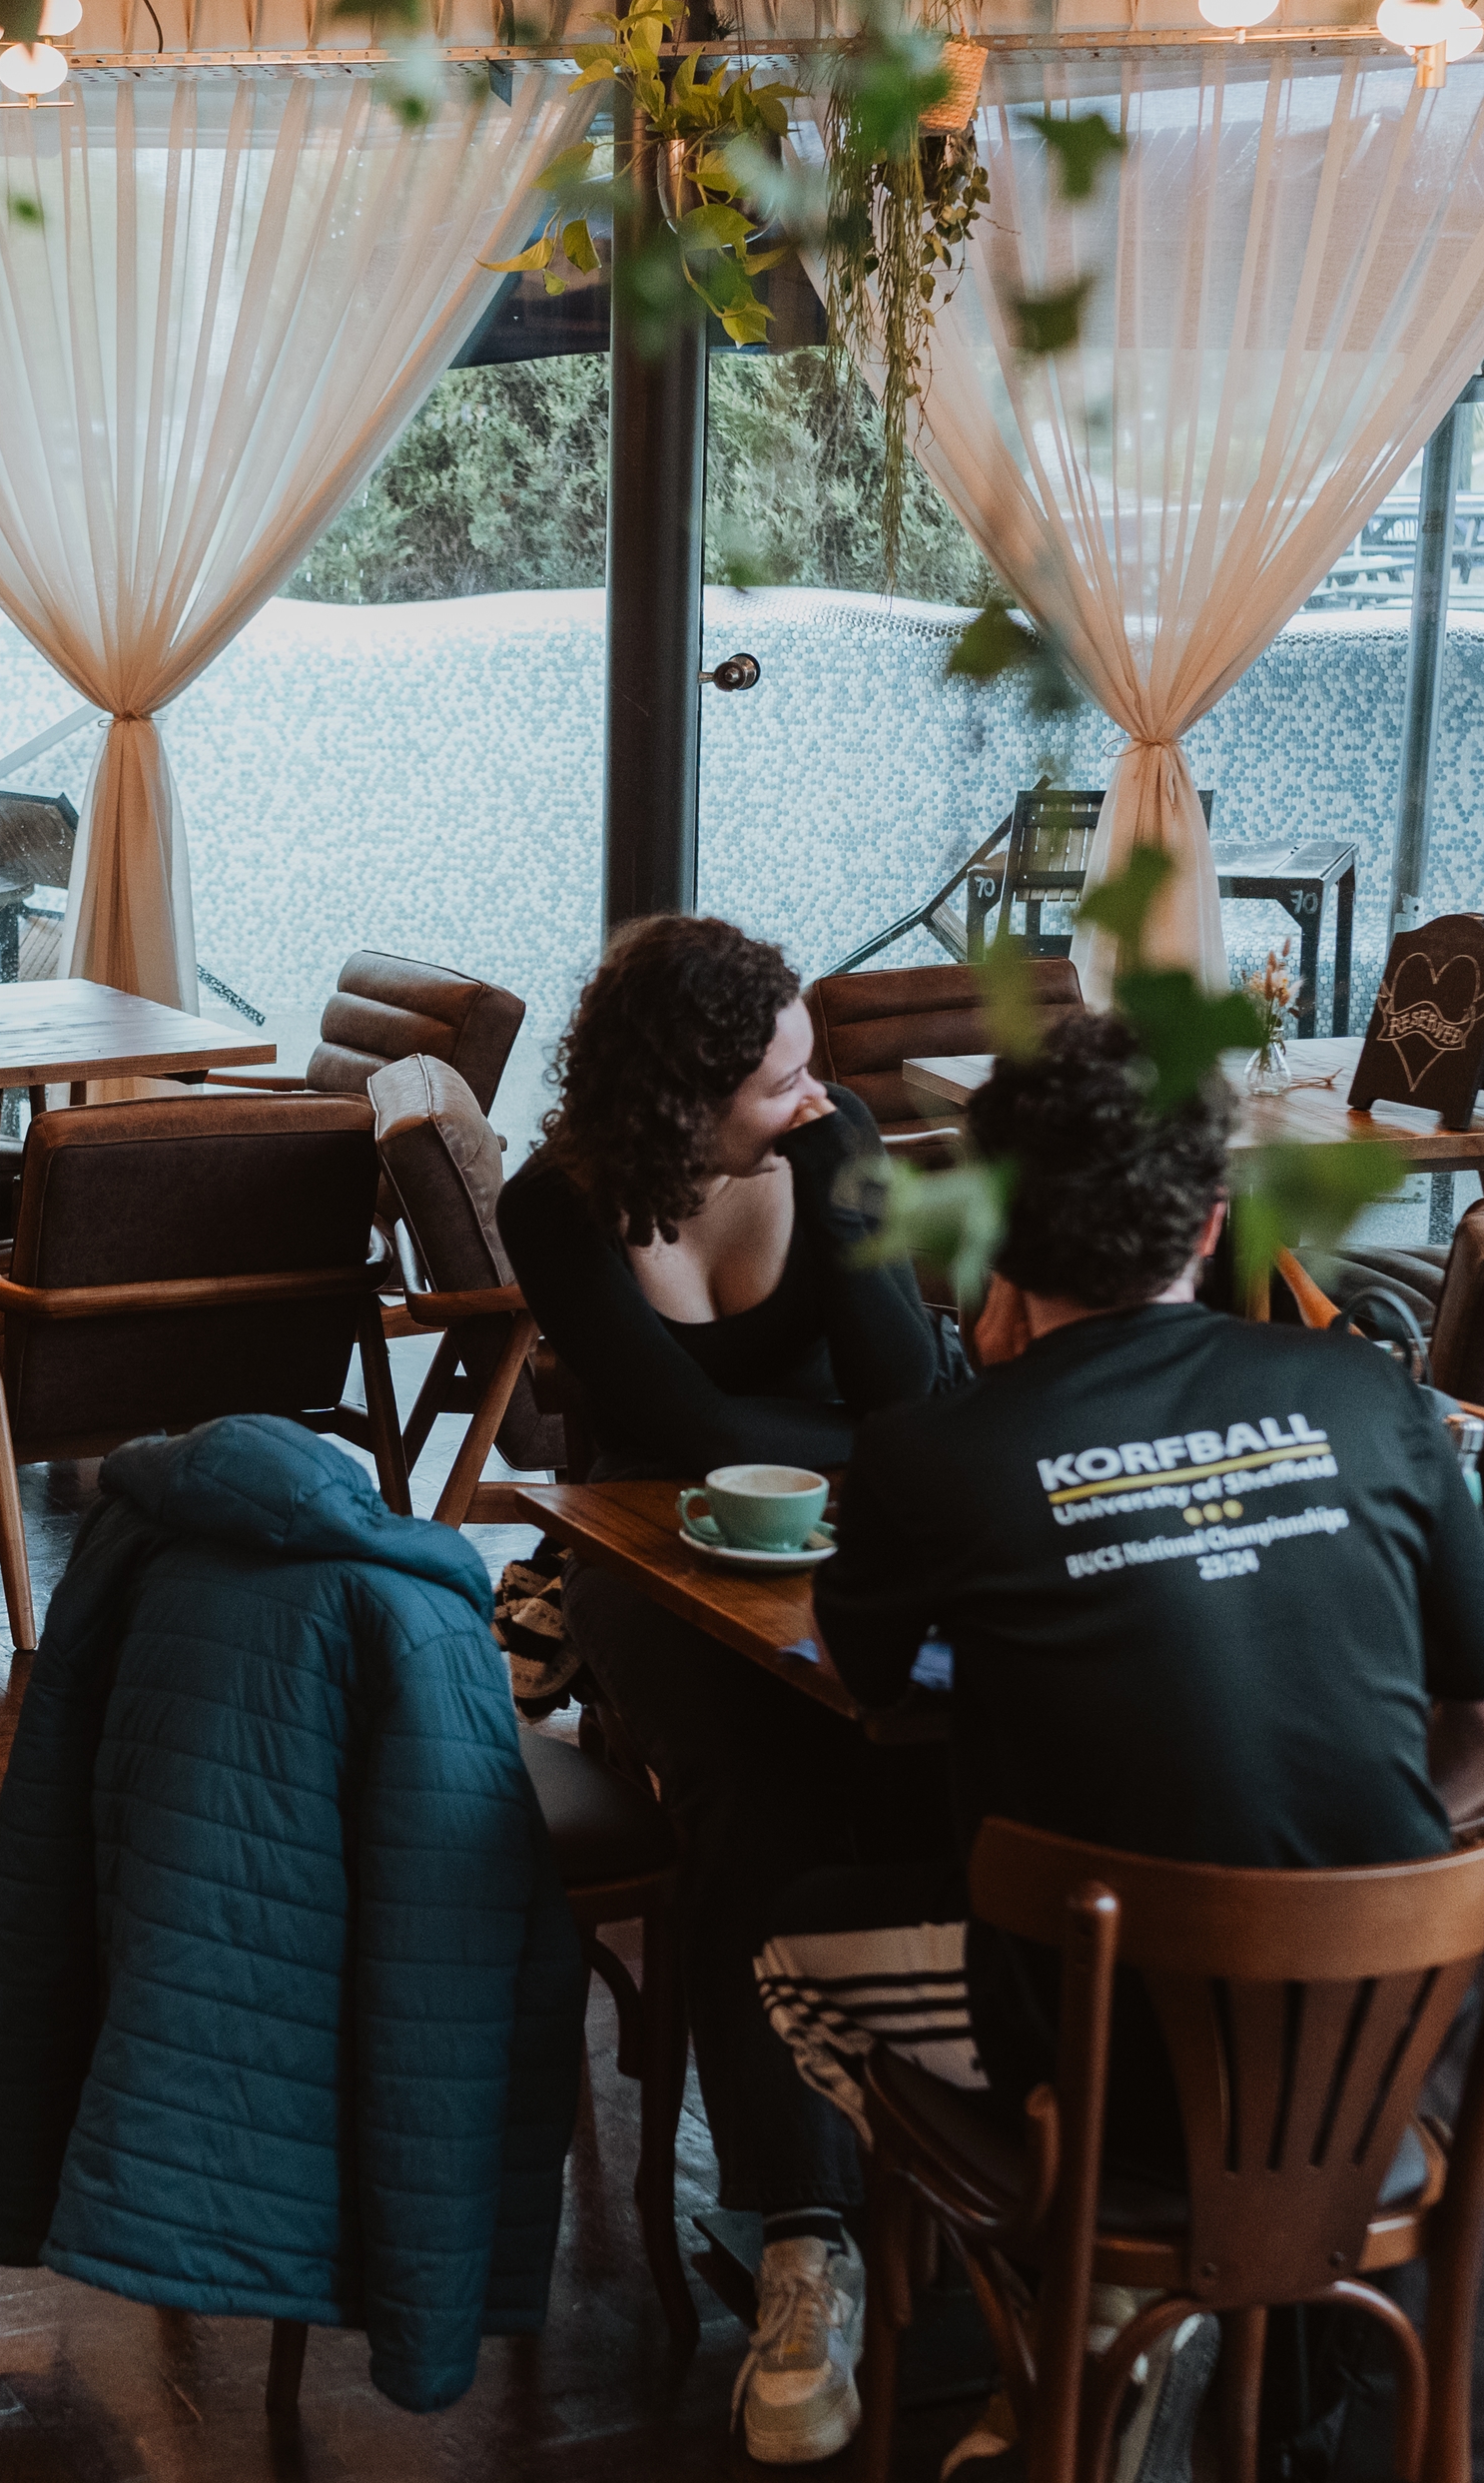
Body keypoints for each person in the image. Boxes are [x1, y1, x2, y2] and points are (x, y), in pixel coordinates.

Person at [777, 1011, 1484, 2145]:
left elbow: (865, 1674)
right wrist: (1332, 1903)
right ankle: (1231, 2233)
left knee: (789, 1945)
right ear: (1210, 1222)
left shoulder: (933, 1450)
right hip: (1391, 2039)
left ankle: (1052, 2234)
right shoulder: (1368, 1390)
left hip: (1118, 2060)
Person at [493, 914, 971, 2468]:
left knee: (929, 1762)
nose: (813, 1098)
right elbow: (686, 1432)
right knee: (749, 1796)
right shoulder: (553, 1204)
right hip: (646, 1558)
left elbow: (909, 1391)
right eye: (779, 1084)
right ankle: (804, 2240)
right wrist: (858, 1447)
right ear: (681, 1098)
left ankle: (955, 2186)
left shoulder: (835, 1147)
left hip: (854, 1555)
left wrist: (838, 1185)